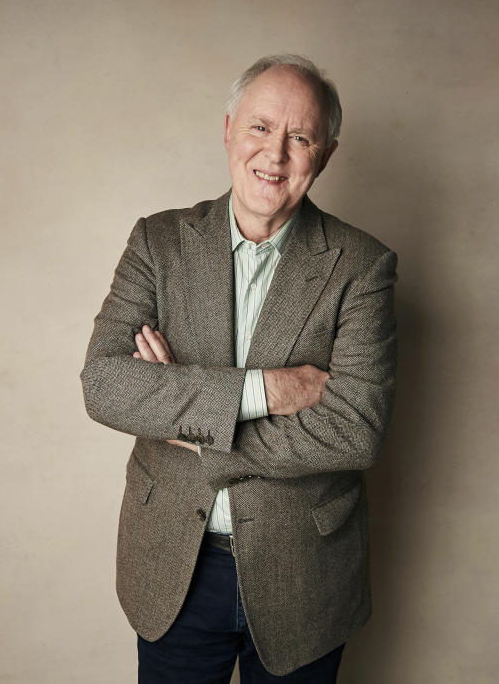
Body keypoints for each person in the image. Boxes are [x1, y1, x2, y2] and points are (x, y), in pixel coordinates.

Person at [81, 54, 397, 683]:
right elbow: (105, 383)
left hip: (306, 572)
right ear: (228, 130)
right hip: (173, 562)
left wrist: (187, 413)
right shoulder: (157, 241)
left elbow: (356, 430)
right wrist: (268, 390)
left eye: (299, 137)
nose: (274, 155)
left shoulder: (363, 266)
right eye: (259, 128)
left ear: (325, 154)